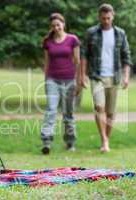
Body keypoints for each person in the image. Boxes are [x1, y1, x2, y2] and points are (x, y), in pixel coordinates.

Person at [81, 4, 131, 152]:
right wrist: (83, 74)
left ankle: (106, 139)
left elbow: (126, 56)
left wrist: (126, 76)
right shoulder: (91, 33)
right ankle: (104, 140)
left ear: (113, 16)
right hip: (96, 75)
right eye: (103, 18)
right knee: (99, 107)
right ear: (99, 17)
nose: (106, 21)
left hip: (114, 76)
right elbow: (84, 54)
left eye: (108, 18)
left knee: (110, 112)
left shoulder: (120, 34)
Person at [40, 13, 81, 155]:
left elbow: (77, 61)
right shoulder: (47, 41)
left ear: (63, 24)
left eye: (58, 24)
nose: (56, 28)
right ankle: (46, 142)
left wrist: (78, 80)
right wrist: (46, 79)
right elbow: (46, 62)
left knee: (68, 112)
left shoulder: (72, 39)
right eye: (53, 26)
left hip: (69, 80)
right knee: (51, 110)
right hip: (52, 80)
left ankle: (70, 142)